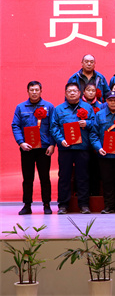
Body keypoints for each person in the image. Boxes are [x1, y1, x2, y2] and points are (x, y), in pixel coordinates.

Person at [50, 82, 95, 214]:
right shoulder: (58, 109)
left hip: (82, 148)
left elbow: (95, 124)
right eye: (69, 91)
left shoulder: (87, 107)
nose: (72, 93)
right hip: (66, 148)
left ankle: (84, 205)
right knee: (64, 177)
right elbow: (54, 127)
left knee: (83, 177)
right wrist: (61, 140)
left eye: (75, 91)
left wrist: (87, 123)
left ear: (79, 93)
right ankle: (63, 205)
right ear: (65, 93)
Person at [11, 81, 55, 215]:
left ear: (41, 91)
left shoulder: (49, 107)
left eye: (36, 90)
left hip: (44, 148)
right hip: (27, 148)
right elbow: (15, 125)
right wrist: (21, 142)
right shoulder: (21, 107)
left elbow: (53, 126)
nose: (34, 92)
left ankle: (46, 204)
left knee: (45, 177)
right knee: (27, 178)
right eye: (32, 90)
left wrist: (52, 144)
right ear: (28, 91)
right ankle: (27, 205)